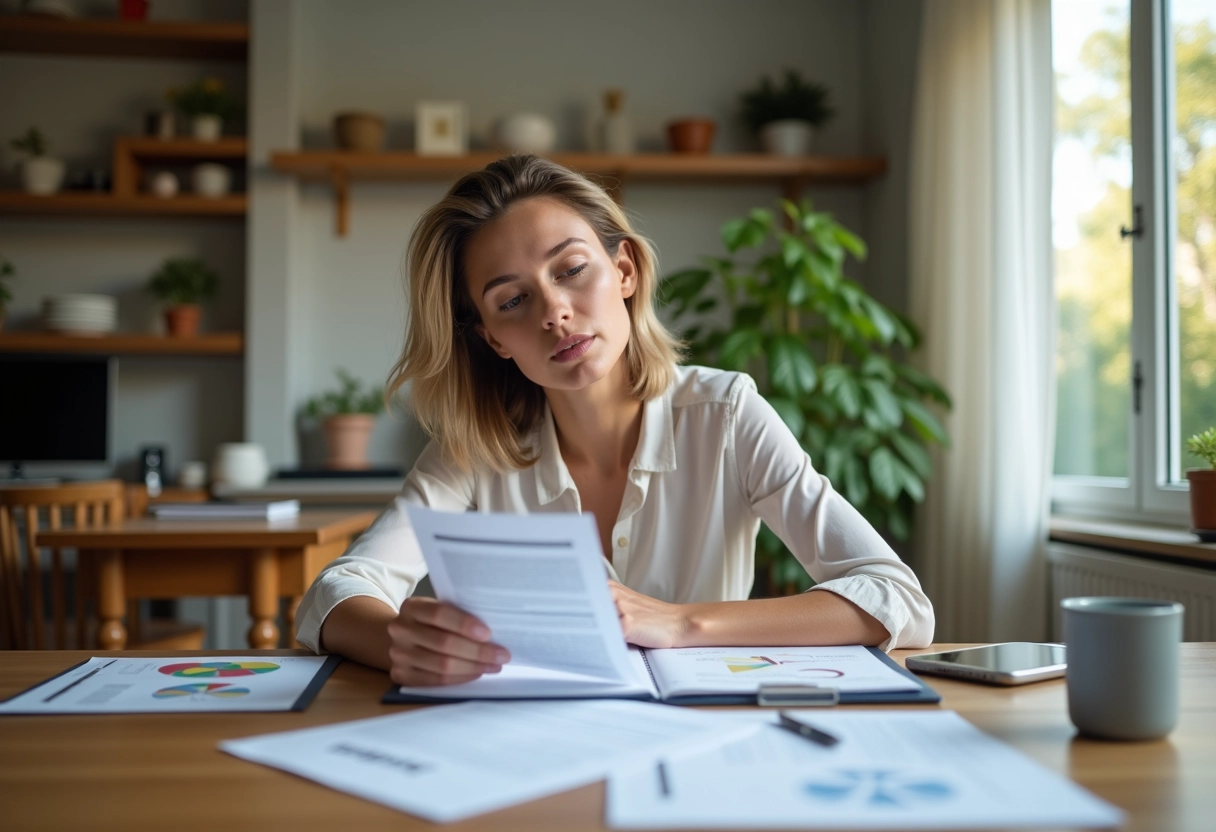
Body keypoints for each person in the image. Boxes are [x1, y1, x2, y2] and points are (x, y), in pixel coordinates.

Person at [296, 154, 934, 687]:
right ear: (492, 338)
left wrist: (682, 623)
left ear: (624, 270)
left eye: (572, 270)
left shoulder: (726, 413)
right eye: (512, 300)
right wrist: (399, 641)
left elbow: (894, 596)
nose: (555, 313)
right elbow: (335, 592)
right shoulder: (474, 449)